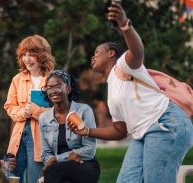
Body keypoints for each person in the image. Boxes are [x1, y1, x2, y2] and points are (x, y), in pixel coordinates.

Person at [69, 3, 193, 183]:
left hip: (165, 124)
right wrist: (87, 131)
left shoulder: (124, 65)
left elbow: (138, 51)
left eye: (97, 52)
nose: (92, 57)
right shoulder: (112, 91)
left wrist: (124, 24)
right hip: (142, 134)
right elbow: (120, 131)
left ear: (111, 53)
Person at [4, 35, 55, 183]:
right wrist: (23, 112)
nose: (27, 59)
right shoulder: (17, 79)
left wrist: (37, 112)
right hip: (18, 136)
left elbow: (59, 112)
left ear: (42, 55)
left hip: (40, 137)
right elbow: (9, 106)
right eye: (24, 55)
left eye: (32, 54)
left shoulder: (53, 78)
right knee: (11, 176)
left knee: (35, 178)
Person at [39, 70, 100, 183]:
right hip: (58, 168)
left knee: (52, 172)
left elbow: (90, 150)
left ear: (68, 88)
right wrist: (53, 160)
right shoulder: (44, 118)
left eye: (57, 86)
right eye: (49, 88)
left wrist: (56, 160)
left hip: (84, 164)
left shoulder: (84, 111)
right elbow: (45, 153)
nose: (53, 91)